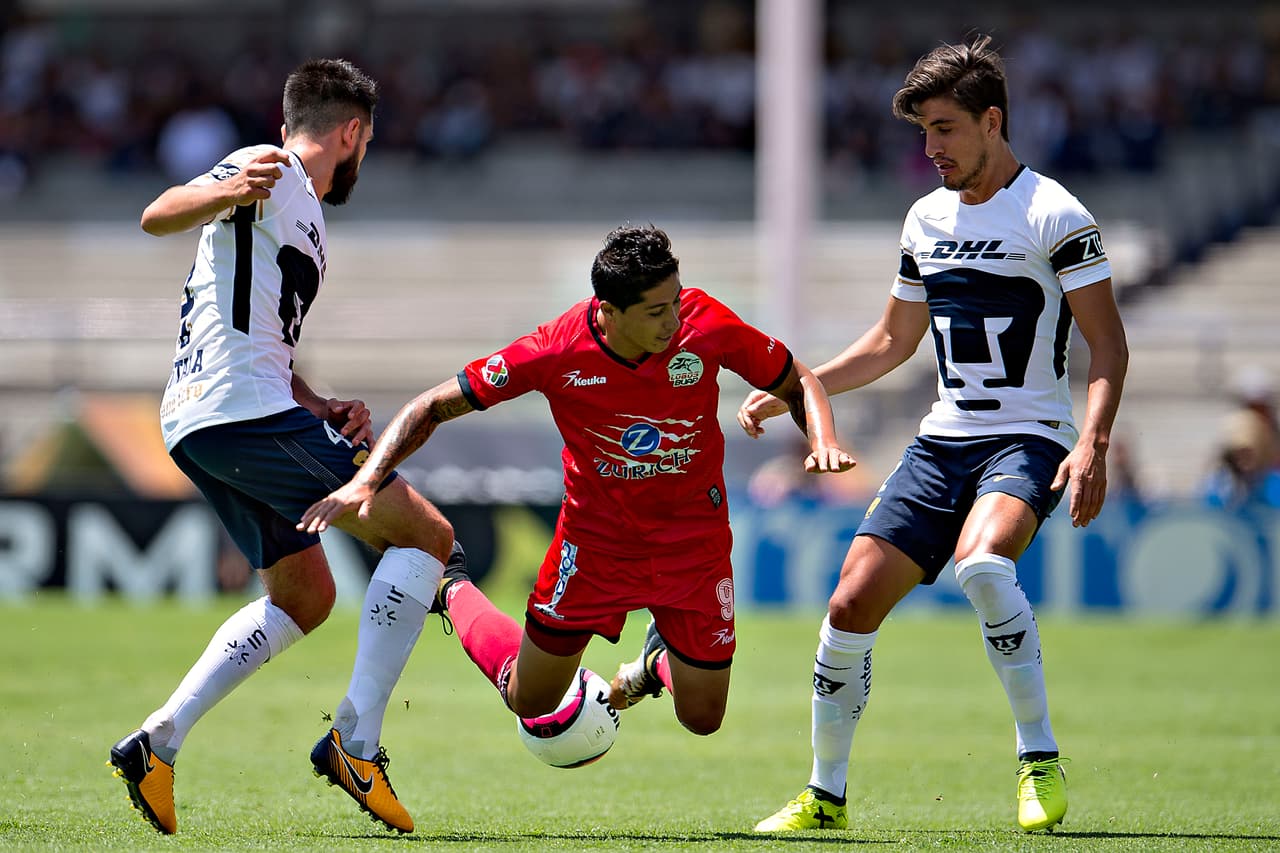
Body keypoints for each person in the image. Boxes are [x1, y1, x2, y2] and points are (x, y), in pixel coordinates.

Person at [742, 35, 1128, 834]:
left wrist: (1092, 442)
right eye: (924, 132)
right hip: (942, 441)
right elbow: (891, 341)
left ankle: (1038, 758)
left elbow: (1109, 345)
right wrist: (796, 386)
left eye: (946, 128)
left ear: (993, 120)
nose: (932, 147)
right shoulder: (926, 217)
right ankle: (825, 796)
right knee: (848, 604)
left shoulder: (1054, 213)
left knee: (982, 563)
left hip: (1028, 437)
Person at [299, 224, 854, 743]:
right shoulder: (555, 350)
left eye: (676, 303)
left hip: (694, 542)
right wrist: (366, 479)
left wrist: (821, 440)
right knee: (530, 699)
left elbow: (796, 378)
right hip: (594, 547)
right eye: (658, 311)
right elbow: (431, 406)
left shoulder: (704, 323)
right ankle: (452, 586)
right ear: (609, 311)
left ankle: (656, 661)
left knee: (702, 719)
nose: (673, 321)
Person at [107, 58, 458, 836]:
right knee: (429, 535)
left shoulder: (298, 205)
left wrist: (317, 402)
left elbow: (253, 326)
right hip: (240, 415)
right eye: (367, 141)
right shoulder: (272, 167)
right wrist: (225, 188)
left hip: (214, 416)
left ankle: (157, 742)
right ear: (353, 132)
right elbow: (158, 213)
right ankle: (355, 744)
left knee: (306, 596)